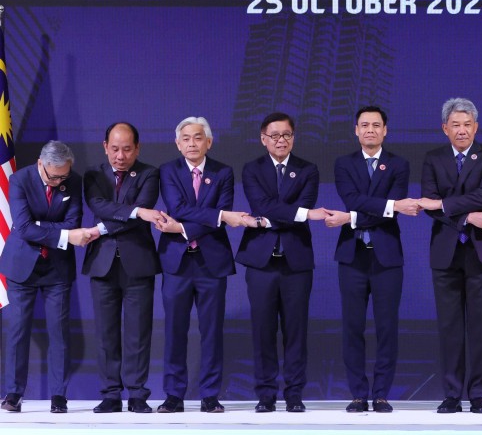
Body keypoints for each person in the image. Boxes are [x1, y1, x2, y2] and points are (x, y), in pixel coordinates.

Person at [155, 116, 251, 414]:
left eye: (198, 137)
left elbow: (214, 211)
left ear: (208, 142)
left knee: (212, 331)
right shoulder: (168, 171)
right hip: (177, 262)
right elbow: (179, 208)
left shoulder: (223, 172)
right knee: (175, 330)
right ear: (177, 143)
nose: (192, 143)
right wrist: (219, 217)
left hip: (211, 262)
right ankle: (173, 395)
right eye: (186, 138)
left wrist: (184, 228)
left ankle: (210, 394)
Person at [238, 112, 332, 413]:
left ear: (294, 137)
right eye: (275, 135)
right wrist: (300, 214)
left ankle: (294, 394)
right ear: (263, 138)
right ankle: (265, 395)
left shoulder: (308, 169)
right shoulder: (252, 169)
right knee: (262, 330)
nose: (281, 140)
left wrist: (271, 218)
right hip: (260, 262)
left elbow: (285, 209)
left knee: (296, 330)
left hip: (296, 262)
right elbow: (261, 206)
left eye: (287, 135)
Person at [418, 98, 482, 414]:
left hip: (481, 251)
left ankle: (479, 393)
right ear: (445, 128)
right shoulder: (433, 158)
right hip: (445, 253)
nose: (462, 130)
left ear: (476, 127)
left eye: (467, 124)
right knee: (450, 326)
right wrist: (468, 217)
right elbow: (429, 203)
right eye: (455, 124)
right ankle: (452, 393)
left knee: (480, 324)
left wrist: (444, 205)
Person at [332, 106, 419, 413]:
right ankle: (358, 394)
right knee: (352, 327)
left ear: (385, 130)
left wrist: (351, 218)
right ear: (356, 130)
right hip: (352, 257)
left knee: (387, 327)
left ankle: (381, 394)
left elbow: (376, 209)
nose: (370, 129)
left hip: (386, 258)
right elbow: (355, 200)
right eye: (364, 125)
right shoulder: (344, 164)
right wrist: (390, 206)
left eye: (376, 125)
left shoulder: (398, 164)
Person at [0, 141, 97, 414]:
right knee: (19, 331)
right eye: (52, 176)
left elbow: (73, 221)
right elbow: (24, 227)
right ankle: (13, 394)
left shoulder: (73, 180)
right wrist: (63, 235)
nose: (57, 182)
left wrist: (46, 227)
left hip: (56, 268)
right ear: (41, 164)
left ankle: (59, 396)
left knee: (59, 332)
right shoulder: (20, 179)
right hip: (22, 266)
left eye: (62, 177)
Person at [82, 122, 163, 414]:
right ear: (105, 147)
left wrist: (100, 229)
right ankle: (110, 394)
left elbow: (143, 213)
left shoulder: (150, 173)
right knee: (106, 333)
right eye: (114, 149)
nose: (120, 155)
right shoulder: (92, 175)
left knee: (138, 333)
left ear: (137, 148)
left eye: (127, 149)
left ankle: (138, 394)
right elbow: (99, 205)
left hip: (138, 261)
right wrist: (136, 211)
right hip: (102, 264)